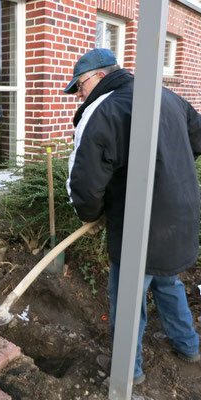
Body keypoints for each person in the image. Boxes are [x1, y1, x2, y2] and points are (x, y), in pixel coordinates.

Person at [64, 48, 201, 384]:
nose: (78, 94)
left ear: (99, 76)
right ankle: (189, 345)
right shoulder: (166, 96)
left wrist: (90, 215)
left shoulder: (105, 109)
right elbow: (196, 139)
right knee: (168, 282)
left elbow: (85, 183)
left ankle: (129, 372)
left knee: (128, 297)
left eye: (79, 85)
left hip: (141, 227)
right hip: (179, 218)